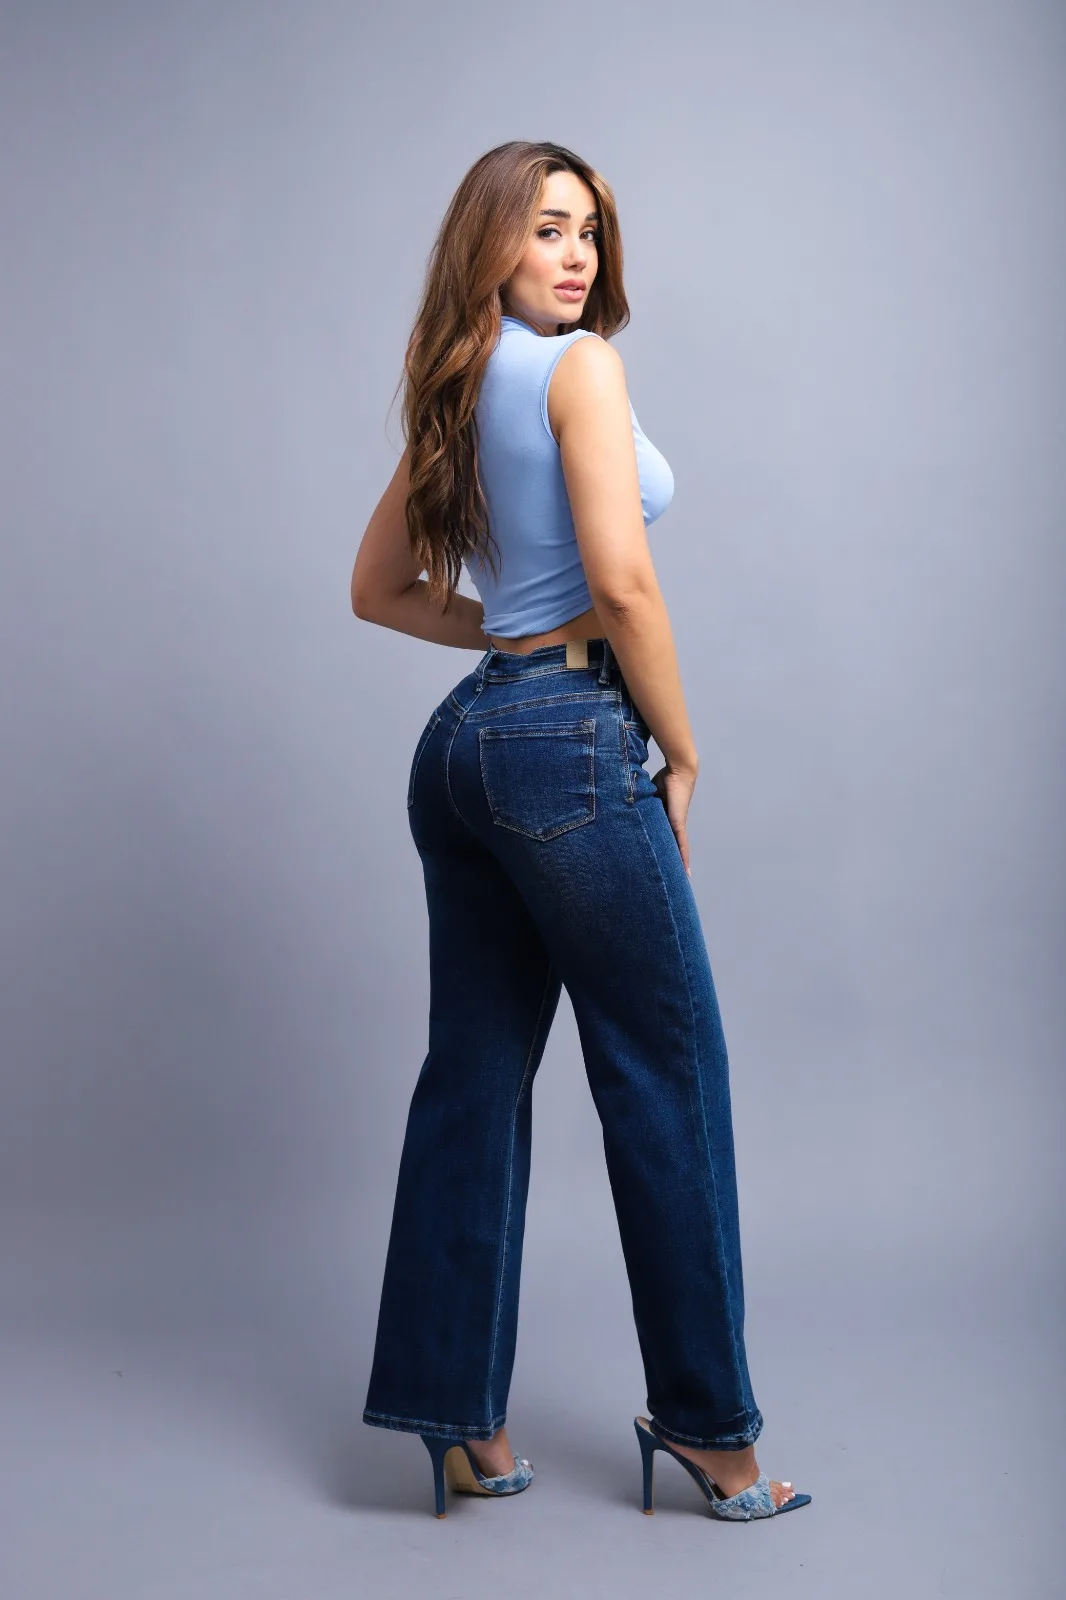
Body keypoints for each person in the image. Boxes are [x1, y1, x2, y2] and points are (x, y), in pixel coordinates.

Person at [350, 139, 810, 1524]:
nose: (574, 255)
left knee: (475, 1076)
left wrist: (506, 633)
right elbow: (622, 583)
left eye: (589, 233)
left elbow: (379, 590)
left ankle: (459, 1424)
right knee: (666, 1072)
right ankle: (713, 1437)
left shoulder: (456, 379)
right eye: (546, 228)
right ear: (490, 240)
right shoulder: (578, 371)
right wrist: (681, 746)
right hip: (566, 744)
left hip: (465, 746)